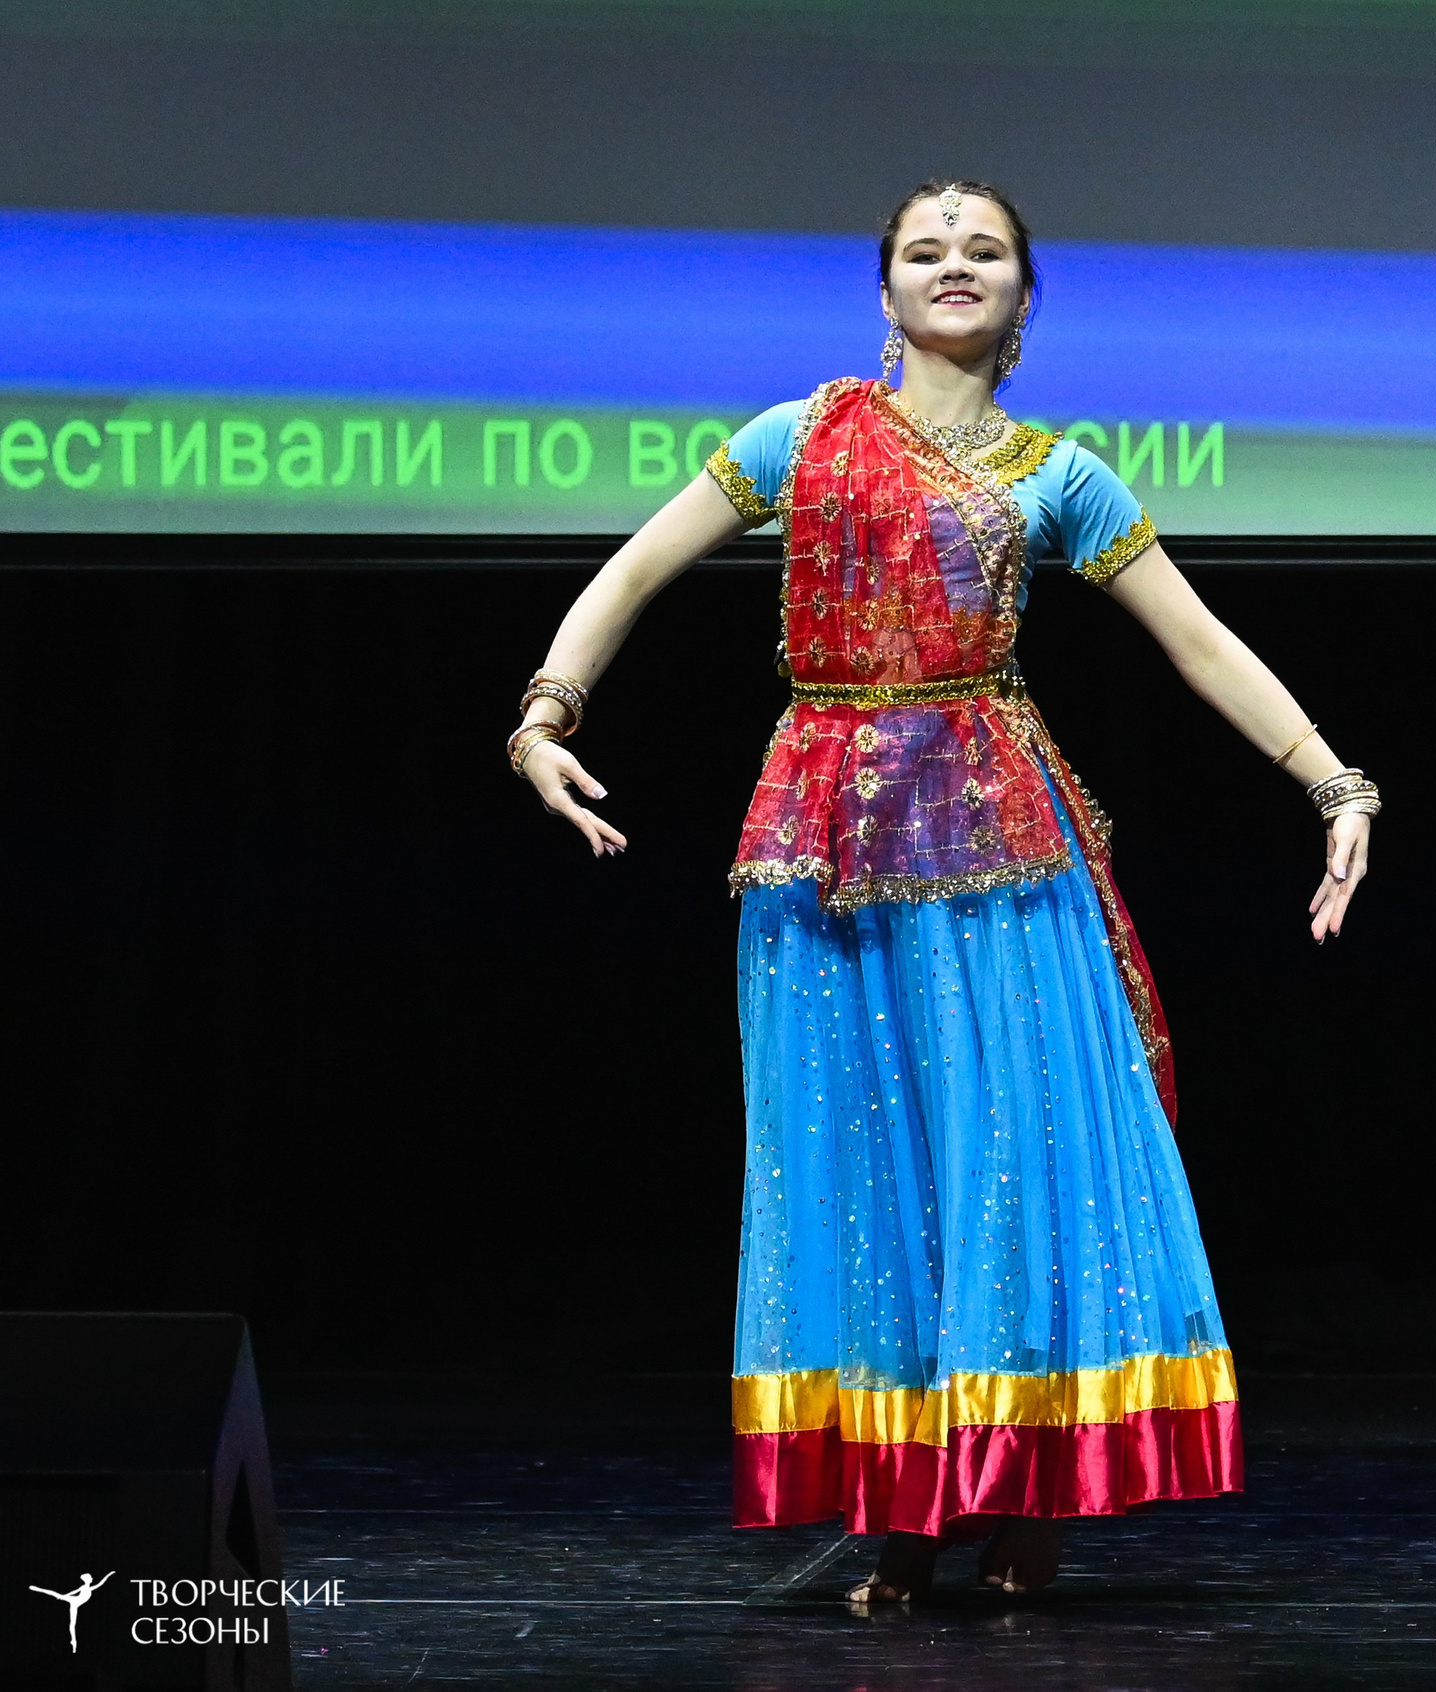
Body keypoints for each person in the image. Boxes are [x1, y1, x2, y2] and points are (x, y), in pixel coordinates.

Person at [504, 179, 1379, 1606]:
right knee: (855, 1177)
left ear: (1027, 295)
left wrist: (1335, 784)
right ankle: (903, 1508)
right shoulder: (800, 438)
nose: (955, 266)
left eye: (985, 250)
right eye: (927, 250)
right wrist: (547, 712)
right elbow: (636, 567)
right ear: (885, 289)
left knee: (1010, 1164)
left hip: (997, 852)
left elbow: (1201, 643)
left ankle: (1022, 1489)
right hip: (823, 849)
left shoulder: (1060, 472)